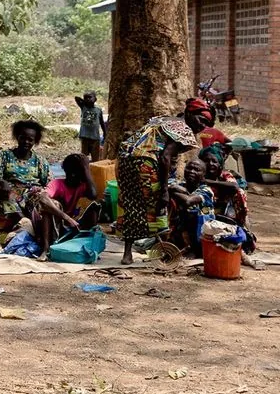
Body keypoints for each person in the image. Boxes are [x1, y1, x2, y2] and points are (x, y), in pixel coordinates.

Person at [116, 113, 201, 264]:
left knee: (130, 202)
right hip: (145, 163)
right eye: (200, 120)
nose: (202, 126)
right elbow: (165, 157)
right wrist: (164, 190)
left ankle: (127, 254)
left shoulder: (166, 120)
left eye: (207, 123)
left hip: (124, 159)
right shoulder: (182, 129)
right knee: (157, 204)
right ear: (190, 115)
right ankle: (161, 250)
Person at [0, 120, 52, 232]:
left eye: (30, 140)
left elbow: (49, 182)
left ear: (35, 141)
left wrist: (42, 192)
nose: (26, 142)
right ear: (17, 137)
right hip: (10, 190)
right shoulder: (4, 155)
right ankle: (24, 222)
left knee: (43, 200)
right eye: (23, 138)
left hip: (32, 192)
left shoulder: (40, 160)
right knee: (6, 194)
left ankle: (34, 225)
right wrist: (3, 182)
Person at [31, 154, 103, 255]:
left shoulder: (83, 186)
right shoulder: (57, 184)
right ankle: (46, 248)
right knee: (51, 205)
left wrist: (86, 170)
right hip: (56, 227)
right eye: (84, 171)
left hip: (74, 226)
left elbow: (93, 195)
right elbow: (43, 198)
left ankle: (88, 244)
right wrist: (67, 218)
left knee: (94, 206)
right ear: (73, 174)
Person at [75, 91, 106, 162]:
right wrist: (85, 102)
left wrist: (105, 132)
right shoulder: (83, 107)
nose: (88, 99)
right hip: (85, 136)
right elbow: (76, 98)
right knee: (84, 156)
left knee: (95, 157)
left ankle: (94, 170)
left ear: (95, 99)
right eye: (86, 98)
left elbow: (102, 122)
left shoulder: (98, 110)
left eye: (90, 97)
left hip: (95, 137)